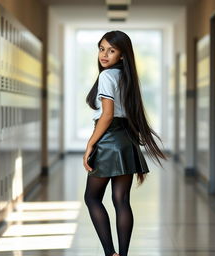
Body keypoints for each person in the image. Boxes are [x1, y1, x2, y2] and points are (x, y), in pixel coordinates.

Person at [83, 30, 167, 256]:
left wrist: (91, 143)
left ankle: (110, 253)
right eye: (102, 49)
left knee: (91, 198)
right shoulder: (127, 76)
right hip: (126, 139)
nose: (104, 54)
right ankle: (123, 254)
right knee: (121, 200)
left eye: (112, 50)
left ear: (122, 54)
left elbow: (107, 114)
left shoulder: (107, 76)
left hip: (109, 139)